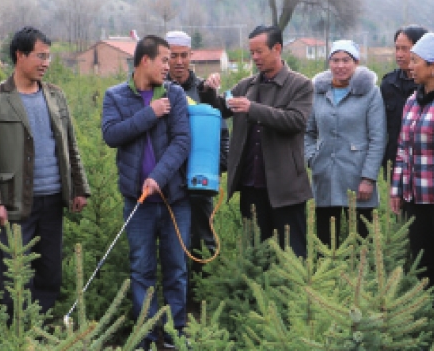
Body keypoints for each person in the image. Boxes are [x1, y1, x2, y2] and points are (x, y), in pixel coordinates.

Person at [0, 26, 90, 320]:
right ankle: (17, 333)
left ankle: (43, 328)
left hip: (53, 200)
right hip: (14, 203)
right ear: (20, 55)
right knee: (14, 274)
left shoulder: (56, 96)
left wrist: (79, 187)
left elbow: (70, 144)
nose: (46, 62)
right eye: (40, 55)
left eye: (48, 56)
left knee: (50, 272)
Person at [101, 35, 191, 349]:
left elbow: (181, 142)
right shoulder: (115, 97)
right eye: (164, 60)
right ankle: (147, 337)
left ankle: (176, 335)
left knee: (176, 268)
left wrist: (157, 177)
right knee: (142, 269)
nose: (171, 66)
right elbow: (112, 134)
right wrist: (150, 113)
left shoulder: (175, 95)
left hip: (174, 200)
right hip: (137, 204)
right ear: (144, 60)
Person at [200, 25, 313, 258]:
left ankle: (293, 295)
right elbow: (221, 108)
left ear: (277, 48)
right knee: (255, 255)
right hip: (252, 186)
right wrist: (208, 90)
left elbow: (295, 121)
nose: (255, 58)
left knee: (292, 255)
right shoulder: (246, 85)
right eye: (252, 52)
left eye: (260, 52)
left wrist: (253, 109)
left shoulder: (300, 85)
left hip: (286, 188)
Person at [389, 33, 434, 310]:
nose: (410, 66)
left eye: (415, 61)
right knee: (420, 261)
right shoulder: (411, 101)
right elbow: (403, 148)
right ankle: (428, 317)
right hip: (413, 197)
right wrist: (396, 188)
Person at [305, 40, 386, 246]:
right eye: (335, 60)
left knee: (361, 240)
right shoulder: (318, 92)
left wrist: (368, 178)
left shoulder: (370, 93)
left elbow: (377, 138)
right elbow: (308, 131)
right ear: (329, 62)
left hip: (357, 177)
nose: (340, 66)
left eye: (346, 60)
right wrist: (311, 158)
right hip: (325, 175)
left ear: (356, 62)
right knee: (325, 240)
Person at [164, 30, 229, 274]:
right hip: (168, 181)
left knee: (203, 237)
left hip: (200, 181)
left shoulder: (204, 91)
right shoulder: (158, 90)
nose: (178, 61)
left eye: (183, 55)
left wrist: (218, 167)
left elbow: (222, 133)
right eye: (173, 55)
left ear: (191, 56)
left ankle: (202, 294)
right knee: (172, 240)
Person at [380, 25, 428, 177]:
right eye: (397, 48)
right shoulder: (389, 84)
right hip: (395, 162)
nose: (399, 54)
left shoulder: (429, 84)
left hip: (424, 163)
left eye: (405, 49)